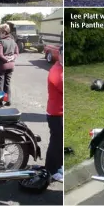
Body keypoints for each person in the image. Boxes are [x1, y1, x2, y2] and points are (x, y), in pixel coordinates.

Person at [46, 47, 64, 182]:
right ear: (60, 56)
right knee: (56, 143)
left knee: (59, 142)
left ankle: (58, 166)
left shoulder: (61, 69)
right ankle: (51, 170)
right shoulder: (57, 72)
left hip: (59, 111)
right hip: (56, 114)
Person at [0, 23, 19, 105]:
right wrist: (12, 58)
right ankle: (8, 100)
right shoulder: (13, 41)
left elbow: (0, 55)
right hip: (11, 65)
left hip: (2, 65)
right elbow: (16, 53)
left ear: (4, 33)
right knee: (7, 83)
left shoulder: (1, 42)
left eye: (0, 32)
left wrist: (6, 59)